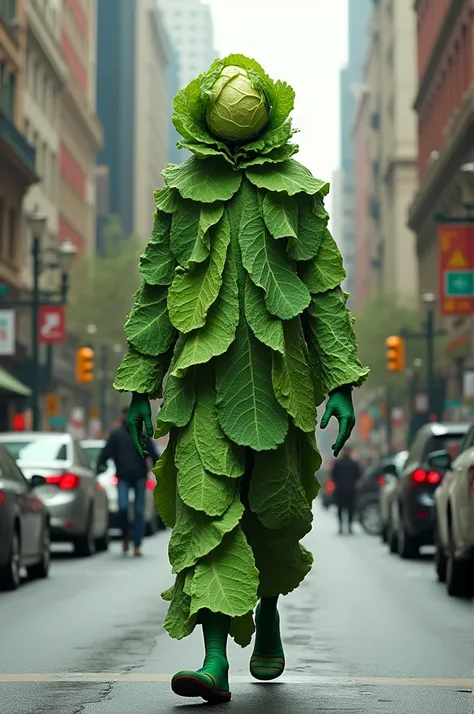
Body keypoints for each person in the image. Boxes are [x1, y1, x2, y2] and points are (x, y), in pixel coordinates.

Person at [113, 55, 369, 705]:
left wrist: (340, 380)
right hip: (199, 387)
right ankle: (214, 659)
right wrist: (141, 384)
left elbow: (324, 293)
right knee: (204, 512)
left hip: (282, 388)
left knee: (274, 511)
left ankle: (269, 606)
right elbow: (157, 289)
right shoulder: (180, 191)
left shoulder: (298, 190)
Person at [97, 407, 159, 556]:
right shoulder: (117, 435)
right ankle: (126, 535)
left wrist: (158, 470)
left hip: (139, 477)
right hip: (123, 477)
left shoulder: (142, 434)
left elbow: (154, 455)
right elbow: (106, 453)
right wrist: (101, 465)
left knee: (138, 512)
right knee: (123, 509)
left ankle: (137, 544)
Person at [331, 446, 362, 534]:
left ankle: (348, 527)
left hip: (346, 490)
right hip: (344, 490)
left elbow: (333, 476)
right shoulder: (342, 463)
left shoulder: (350, 463)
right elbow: (359, 476)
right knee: (343, 509)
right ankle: (343, 527)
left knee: (348, 510)